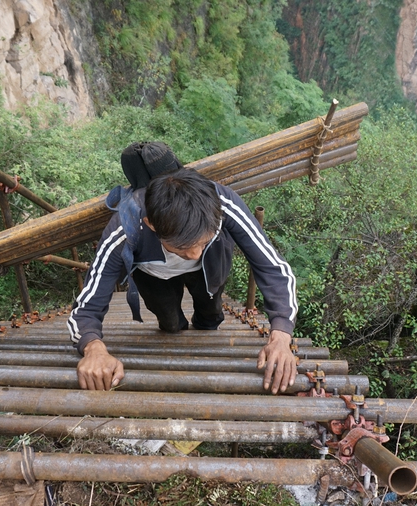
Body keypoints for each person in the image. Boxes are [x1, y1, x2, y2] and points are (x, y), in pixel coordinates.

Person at [67, 143, 298, 394]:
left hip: (209, 269)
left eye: (203, 242)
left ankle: (206, 329)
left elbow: (273, 267)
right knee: (170, 324)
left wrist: (281, 335)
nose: (194, 254)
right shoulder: (127, 228)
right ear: (151, 224)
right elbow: (87, 306)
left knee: (210, 316)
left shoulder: (222, 203)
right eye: (184, 247)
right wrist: (93, 347)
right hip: (154, 273)